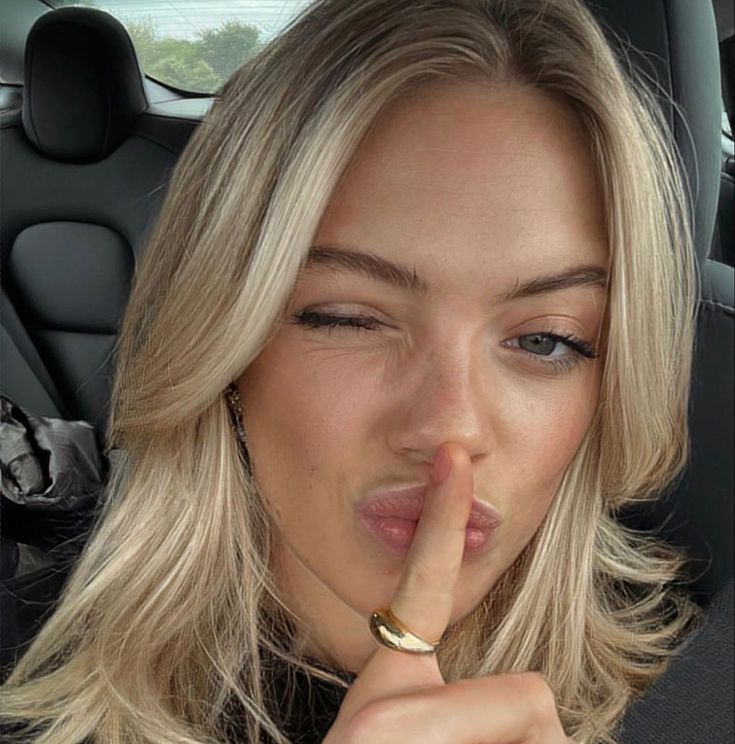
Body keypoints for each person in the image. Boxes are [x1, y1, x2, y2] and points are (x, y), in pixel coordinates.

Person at [0, 0, 706, 741]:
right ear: (223, 345)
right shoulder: (22, 660)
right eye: (346, 319)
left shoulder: (698, 691)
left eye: (547, 341)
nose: (449, 426)